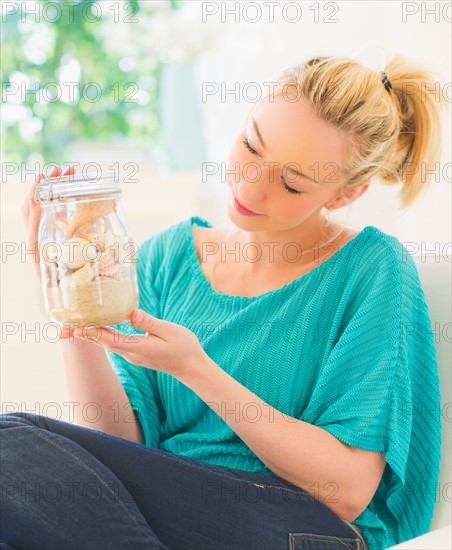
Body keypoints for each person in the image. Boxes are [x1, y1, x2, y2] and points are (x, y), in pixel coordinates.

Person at [1, 52, 446, 550]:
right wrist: (68, 297)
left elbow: (345, 491)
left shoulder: (371, 270)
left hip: (296, 525)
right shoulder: (169, 257)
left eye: (291, 182)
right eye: (251, 146)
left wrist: (198, 370)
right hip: (167, 513)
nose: (251, 185)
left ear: (344, 194)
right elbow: (121, 446)